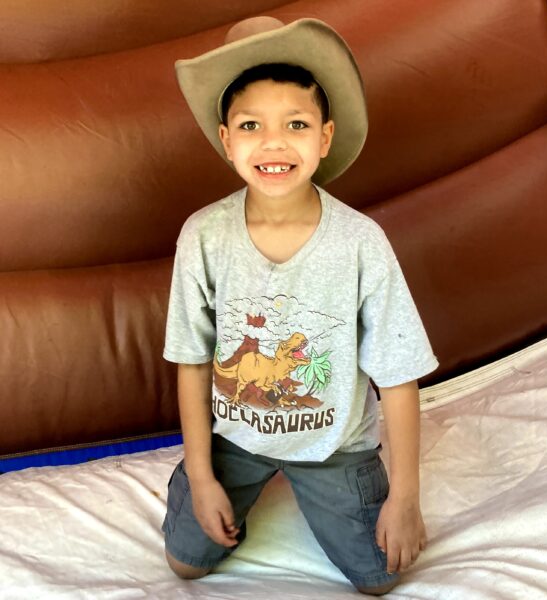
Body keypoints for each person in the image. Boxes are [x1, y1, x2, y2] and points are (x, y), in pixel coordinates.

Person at [162, 16, 438, 596]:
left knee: (378, 577)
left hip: (336, 444)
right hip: (235, 437)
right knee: (186, 564)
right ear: (226, 138)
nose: (274, 143)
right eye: (251, 125)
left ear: (324, 136)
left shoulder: (361, 241)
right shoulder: (203, 237)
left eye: (295, 123)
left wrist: (406, 498)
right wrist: (202, 474)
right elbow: (191, 359)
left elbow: (398, 370)